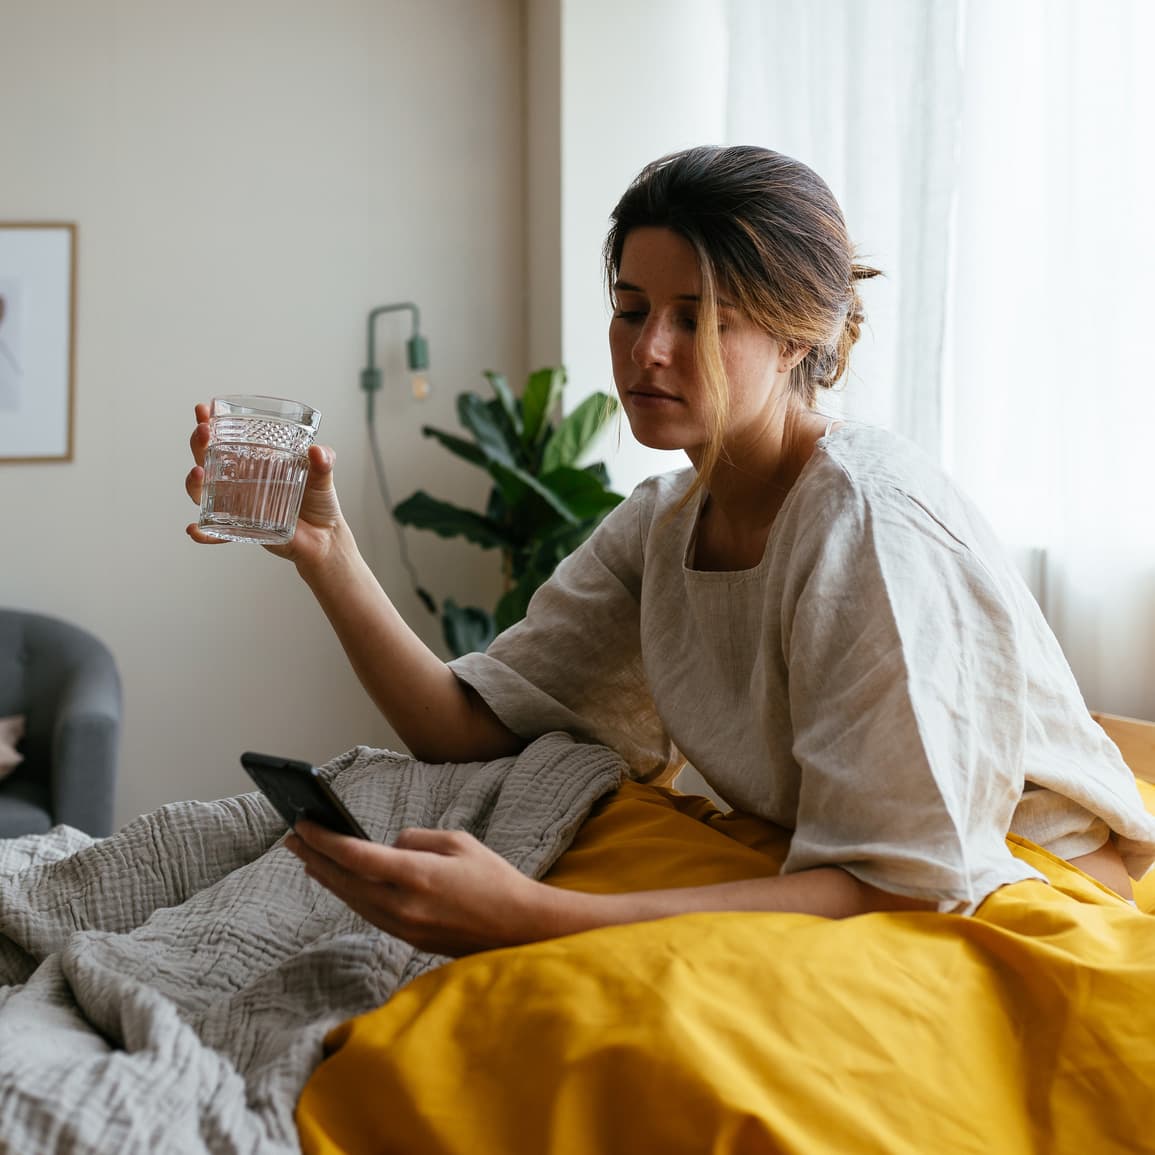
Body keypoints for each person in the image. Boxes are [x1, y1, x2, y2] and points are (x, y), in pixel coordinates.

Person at [186, 145, 1155, 957]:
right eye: (631, 307)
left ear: (796, 335)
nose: (649, 349)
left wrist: (541, 921)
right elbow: (465, 727)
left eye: (701, 316)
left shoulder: (867, 522)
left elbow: (904, 881)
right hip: (831, 874)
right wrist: (326, 550)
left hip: (1008, 895)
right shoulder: (666, 518)